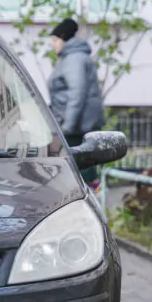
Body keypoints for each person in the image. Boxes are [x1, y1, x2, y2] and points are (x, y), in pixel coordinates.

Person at [47, 18, 104, 183]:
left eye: (54, 40)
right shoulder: (70, 58)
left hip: (75, 128)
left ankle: (88, 203)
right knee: (80, 171)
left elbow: (77, 93)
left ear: (63, 39)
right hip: (74, 125)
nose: (52, 44)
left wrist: (67, 128)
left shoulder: (74, 59)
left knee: (80, 173)